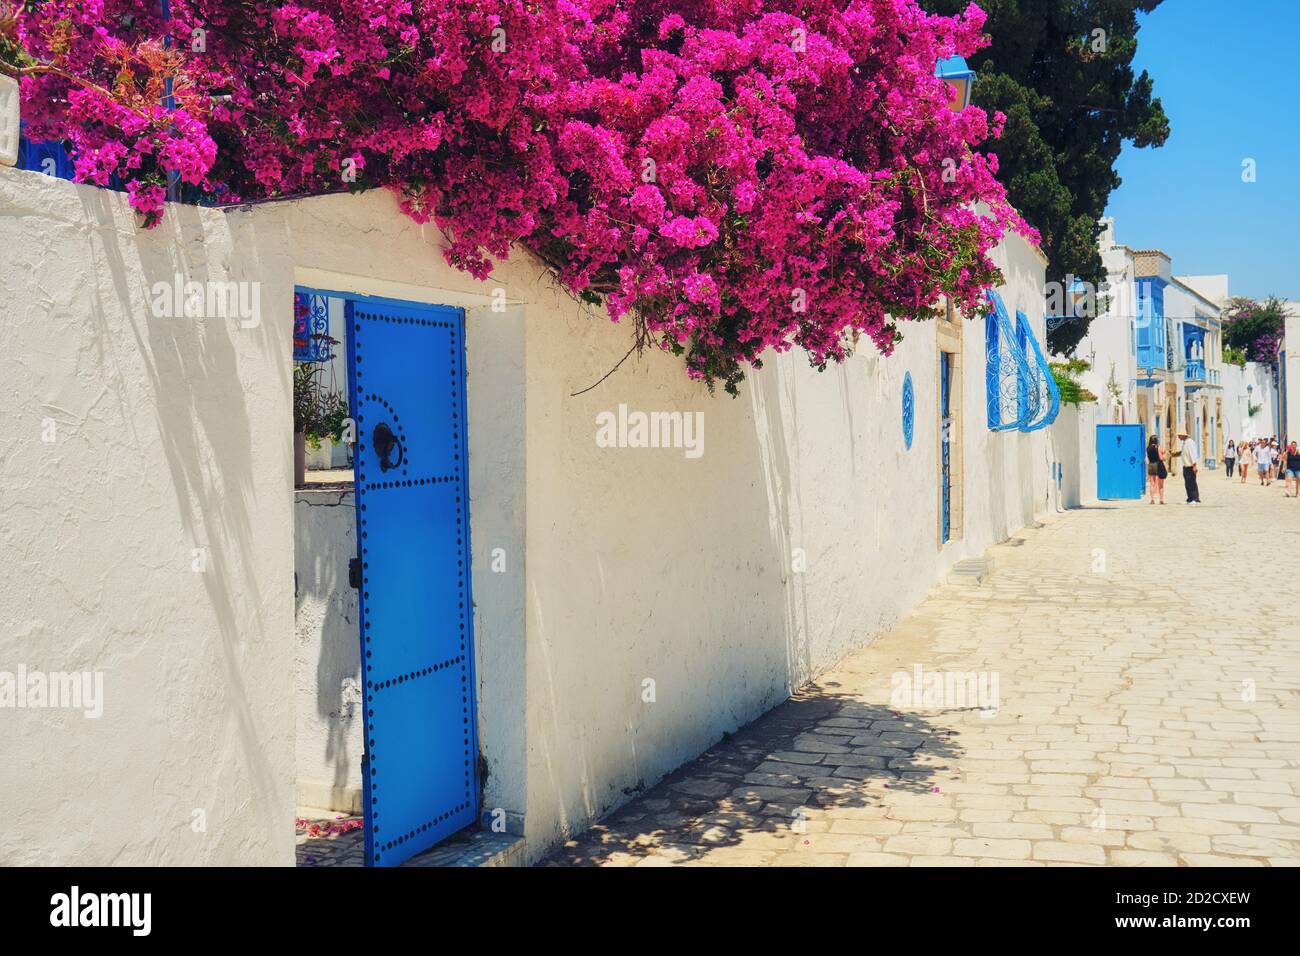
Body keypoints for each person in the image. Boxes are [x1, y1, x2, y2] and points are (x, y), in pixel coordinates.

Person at [1177, 430, 1201, 504]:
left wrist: (1194, 466)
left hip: (1190, 466)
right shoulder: (1185, 443)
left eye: (1179, 435)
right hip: (1186, 466)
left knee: (1192, 483)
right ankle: (1190, 498)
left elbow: (1192, 454)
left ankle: (1195, 498)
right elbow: (1184, 452)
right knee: (1187, 483)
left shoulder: (1190, 442)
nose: (1178, 437)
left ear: (1184, 435)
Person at [1145, 435, 1166, 504]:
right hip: (1158, 465)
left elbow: (1148, 458)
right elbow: (1160, 458)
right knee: (1161, 484)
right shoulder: (1158, 447)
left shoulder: (1148, 448)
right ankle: (1161, 499)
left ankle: (1152, 499)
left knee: (1152, 483)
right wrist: (1164, 457)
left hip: (1151, 465)